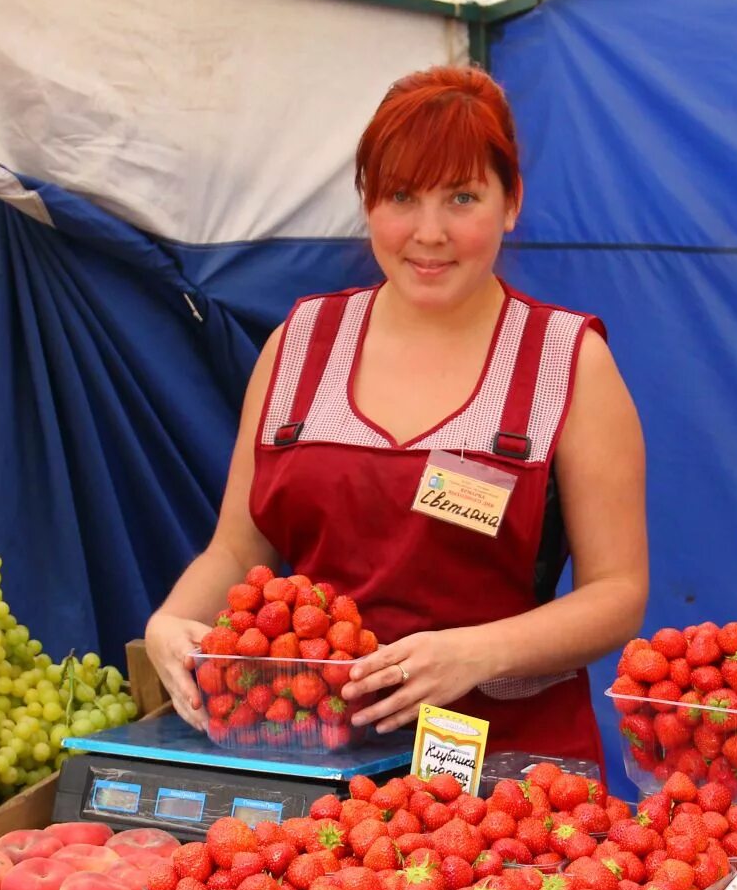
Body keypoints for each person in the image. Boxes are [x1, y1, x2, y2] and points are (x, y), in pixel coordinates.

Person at [145, 65, 647, 765]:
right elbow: (238, 548)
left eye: (463, 197)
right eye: (402, 197)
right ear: (368, 204)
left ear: (511, 203)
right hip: (312, 757)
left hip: (508, 769)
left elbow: (618, 592)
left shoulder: (568, 361)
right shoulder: (299, 345)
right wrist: (173, 620)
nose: (429, 233)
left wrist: (477, 652)